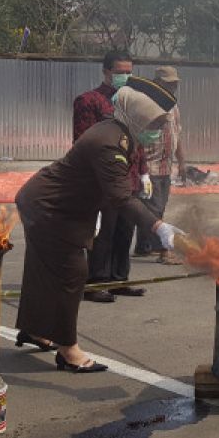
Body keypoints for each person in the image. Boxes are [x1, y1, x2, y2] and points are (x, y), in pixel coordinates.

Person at [14, 77, 184, 372]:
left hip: (54, 204)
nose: (155, 132)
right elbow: (120, 198)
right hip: (50, 208)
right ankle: (68, 351)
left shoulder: (118, 131)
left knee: (43, 269)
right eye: (153, 125)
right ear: (138, 117)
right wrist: (158, 227)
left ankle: (34, 329)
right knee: (72, 274)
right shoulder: (110, 142)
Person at [73, 50, 150, 302]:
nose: (125, 76)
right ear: (106, 71)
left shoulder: (131, 103)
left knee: (124, 231)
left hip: (128, 180)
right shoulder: (90, 101)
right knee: (102, 233)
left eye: (129, 72)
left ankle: (119, 279)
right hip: (102, 181)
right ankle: (96, 282)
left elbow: (138, 141)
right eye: (119, 72)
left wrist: (144, 173)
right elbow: (84, 142)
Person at [134, 66, 187, 263]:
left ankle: (143, 245)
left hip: (166, 166)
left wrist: (181, 162)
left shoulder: (173, 107)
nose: (173, 87)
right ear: (158, 83)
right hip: (150, 165)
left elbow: (177, 134)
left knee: (156, 206)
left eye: (175, 84)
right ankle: (163, 250)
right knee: (155, 208)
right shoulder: (144, 105)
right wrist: (141, 168)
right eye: (169, 84)